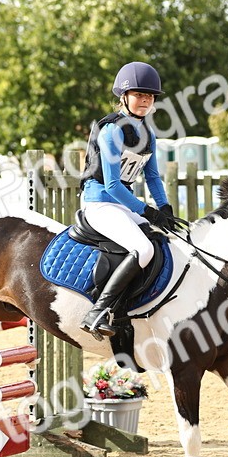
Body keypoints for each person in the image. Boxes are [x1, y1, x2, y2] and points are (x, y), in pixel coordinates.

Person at [78, 61, 179, 339]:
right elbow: (112, 185)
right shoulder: (112, 130)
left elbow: (153, 177)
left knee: (165, 240)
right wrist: (146, 210)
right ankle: (97, 311)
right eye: (139, 94)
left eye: (150, 96)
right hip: (99, 203)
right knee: (143, 249)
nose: (145, 100)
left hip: (121, 204)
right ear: (124, 96)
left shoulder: (148, 133)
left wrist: (164, 208)